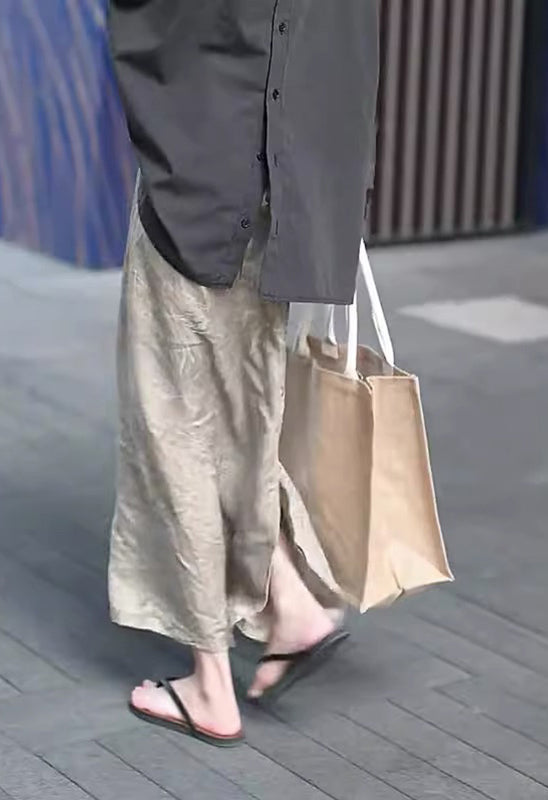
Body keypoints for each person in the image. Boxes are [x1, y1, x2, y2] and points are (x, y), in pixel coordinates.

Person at [107, 0, 379, 746]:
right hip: (294, 174)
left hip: (205, 174)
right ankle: (289, 603)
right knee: (243, 413)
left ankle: (209, 683)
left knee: (176, 425)